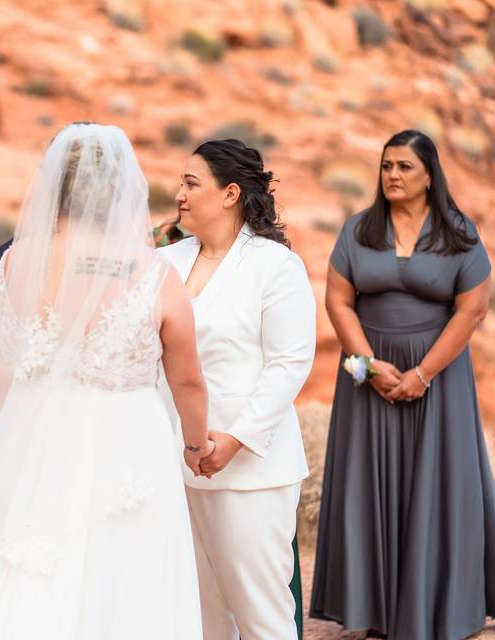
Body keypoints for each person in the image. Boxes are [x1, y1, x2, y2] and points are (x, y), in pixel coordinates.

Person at [0, 123, 213, 640]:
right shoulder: (151, 272)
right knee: (117, 576)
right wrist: (196, 443)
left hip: (36, 435)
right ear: (121, 191)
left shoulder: (13, 263)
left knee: (29, 569)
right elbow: (187, 380)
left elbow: (10, 356)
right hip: (125, 440)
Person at [310, 130, 495, 639]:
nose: (392, 175)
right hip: (370, 378)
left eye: (404, 166)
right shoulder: (359, 230)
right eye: (386, 166)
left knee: (441, 480)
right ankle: (375, 610)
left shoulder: (458, 233)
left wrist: (423, 373)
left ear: (430, 174)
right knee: (369, 483)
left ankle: (442, 609)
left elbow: (473, 309)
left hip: (439, 375)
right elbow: (338, 301)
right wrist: (368, 364)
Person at [158, 139, 316, 640]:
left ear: (229, 194)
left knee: (261, 615)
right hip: (174, 462)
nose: (179, 194)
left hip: (250, 468)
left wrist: (236, 439)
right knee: (198, 615)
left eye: (190, 183)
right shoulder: (167, 261)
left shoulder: (274, 264)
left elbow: (289, 364)